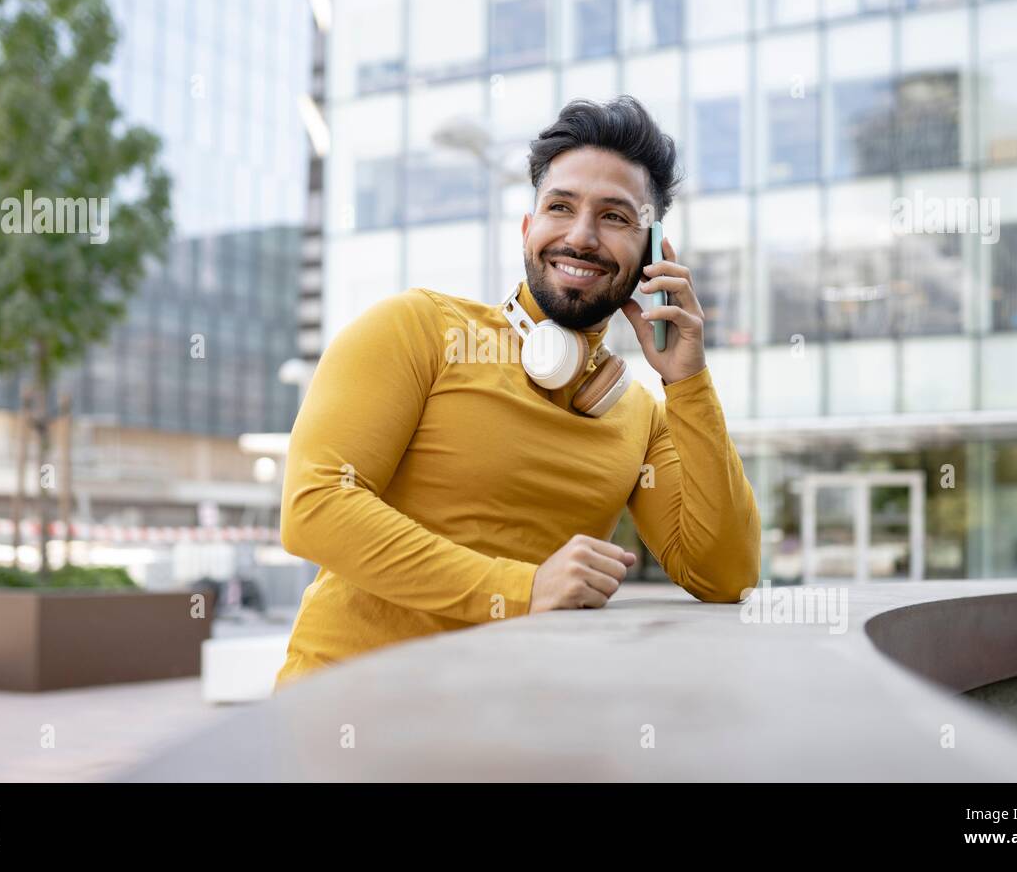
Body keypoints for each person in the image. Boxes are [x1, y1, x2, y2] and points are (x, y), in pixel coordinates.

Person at [274, 95, 761, 687]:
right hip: (346, 718)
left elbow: (726, 575)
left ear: (652, 254)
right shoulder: (417, 328)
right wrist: (522, 588)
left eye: (615, 217)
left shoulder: (643, 416)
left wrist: (687, 382)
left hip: (515, 726)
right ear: (529, 228)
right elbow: (315, 507)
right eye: (561, 206)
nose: (581, 237)